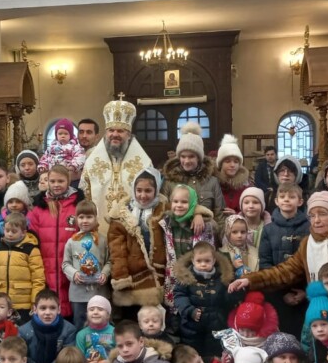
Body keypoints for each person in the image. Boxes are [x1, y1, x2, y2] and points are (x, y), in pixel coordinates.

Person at [232, 192, 328, 300]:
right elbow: (286, 271)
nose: (316, 220)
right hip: (319, 310)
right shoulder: (308, 243)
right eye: (312, 215)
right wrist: (250, 280)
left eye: (323, 214)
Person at [80, 97, 153, 231]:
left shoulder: (144, 163)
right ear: (105, 133)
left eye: (120, 131)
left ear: (129, 134)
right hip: (99, 227)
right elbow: (86, 195)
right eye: (111, 130)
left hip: (132, 228)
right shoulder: (92, 162)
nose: (115, 134)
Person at [108, 167, 167, 309]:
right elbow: (117, 249)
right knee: (131, 319)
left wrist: (198, 215)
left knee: (152, 319)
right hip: (131, 275)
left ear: (156, 190)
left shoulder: (164, 209)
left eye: (148, 191)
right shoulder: (121, 214)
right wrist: (121, 276)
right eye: (139, 190)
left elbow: (184, 210)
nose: (143, 195)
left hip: (156, 275)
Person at [28, 165, 82, 318]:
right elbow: (33, 239)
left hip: (71, 265)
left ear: (68, 181)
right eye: (52, 181)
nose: (56, 185)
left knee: (70, 306)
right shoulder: (39, 208)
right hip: (46, 264)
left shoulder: (77, 205)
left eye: (61, 181)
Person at [174, 241, 241, 362]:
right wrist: (189, 310)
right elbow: (179, 296)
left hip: (217, 323)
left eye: (207, 261)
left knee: (215, 354)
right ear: (193, 260)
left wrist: (234, 293)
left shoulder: (223, 278)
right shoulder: (186, 277)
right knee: (194, 354)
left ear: (214, 260)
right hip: (192, 324)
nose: (203, 264)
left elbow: (228, 301)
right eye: (199, 261)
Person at [156, 184, 217, 316]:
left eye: (184, 202)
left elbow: (209, 248)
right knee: (175, 303)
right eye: (175, 201)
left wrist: (198, 214)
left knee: (193, 301)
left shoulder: (202, 223)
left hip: (195, 270)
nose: (179, 205)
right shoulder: (166, 222)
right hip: (174, 271)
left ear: (193, 204)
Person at [258, 183, 309, 339]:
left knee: (303, 336)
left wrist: (306, 292)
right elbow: (265, 263)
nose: (287, 200)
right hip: (278, 295)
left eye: (292, 197)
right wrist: (283, 293)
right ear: (277, 201)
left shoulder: (309, 228)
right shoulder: (269, 229)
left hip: (304, 294)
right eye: (283, 197)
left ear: (300, 202)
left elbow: (313, 262)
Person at [0, 213, 45, 321]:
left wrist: (35, 301)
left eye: (14, 231)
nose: (9, 234)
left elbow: (38, 279)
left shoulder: (31, 249)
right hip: (0, 303)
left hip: (22, 304)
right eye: (7, 230)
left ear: (23, 232)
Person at [63, 200, 110, 328]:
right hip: (78, 294)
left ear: (96, 218)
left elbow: (110, 261)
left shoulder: (103, 240)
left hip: (98, 291)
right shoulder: (71, 242)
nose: (85, 221)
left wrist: (105, 273)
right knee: (79, 324)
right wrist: (74, 274)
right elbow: (66, 264)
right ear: (76, 219)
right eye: (81, 217)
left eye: (89, 217)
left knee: (101, 323)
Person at [162, 122, 225, 216]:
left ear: (199, 158)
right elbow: (163, 212)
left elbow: (219, 215)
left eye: (191, 156)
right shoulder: (169, 181)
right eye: (183, 156)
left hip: (207, 229)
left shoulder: (212, 182)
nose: (186, 161)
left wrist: (208, 223)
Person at [18, 288, 78, 363]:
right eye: (43, 308)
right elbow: (20, 356)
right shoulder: (23, 331)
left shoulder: (69, 330)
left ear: (59, 309)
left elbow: (67, 358)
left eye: (52, 308)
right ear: (35, 309)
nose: (47, 313)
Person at [73, 294, 116, 363]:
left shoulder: (115, 332)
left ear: (108, 315)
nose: (95, 312)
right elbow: (78, 358)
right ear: (87, 314)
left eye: (100, 309)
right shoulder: (81, 335)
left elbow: (121, 355)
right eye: (91, 309)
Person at [215, 134, 252, 218]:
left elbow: (251, 209)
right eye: (227, 161)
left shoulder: (246, 185)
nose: (232, 165)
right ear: (221, 164)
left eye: (236, 162)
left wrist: (237, 214)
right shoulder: (213, 183)